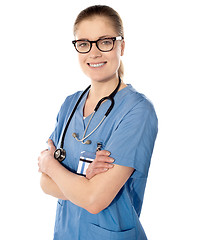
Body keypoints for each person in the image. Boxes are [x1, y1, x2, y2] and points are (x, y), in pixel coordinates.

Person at [38, 5, 158, 240]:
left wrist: (50, 164)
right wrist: (84, 183)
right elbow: (44, 184)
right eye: (84, 44)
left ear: (121, 46)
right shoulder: (70, 105)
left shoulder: (137, 110)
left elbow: (94, 200)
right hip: (65, 233)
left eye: (104, 42)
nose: (93, 53)